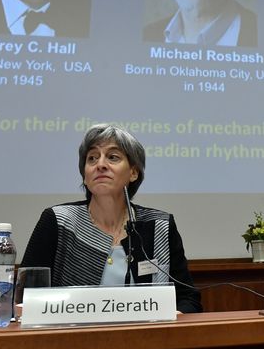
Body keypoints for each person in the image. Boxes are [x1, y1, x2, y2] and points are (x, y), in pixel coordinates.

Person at [21, 124, 201, 313]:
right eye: (92, 158)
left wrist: (174, 317)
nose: (100, 165)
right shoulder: (59, 221)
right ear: (84, 175)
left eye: (113, 157)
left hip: (145, 340)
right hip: (71, 339)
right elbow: (25, 296)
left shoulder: (158, 225)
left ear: (133, 172)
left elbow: (188, 298)